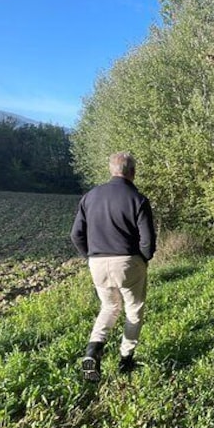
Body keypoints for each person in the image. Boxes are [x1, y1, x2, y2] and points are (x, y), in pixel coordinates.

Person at [71, 151, 157, 381]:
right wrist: (143, 259)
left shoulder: (89, 197)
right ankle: (125, 359)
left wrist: (89, 256)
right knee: (133, 309)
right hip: (128, 261)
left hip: (97, 261)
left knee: (109, 307)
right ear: (133, 172)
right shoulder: (138, 199)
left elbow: (76, 234)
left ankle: (93, 350)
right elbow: (147, 239)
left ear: (111, 170)